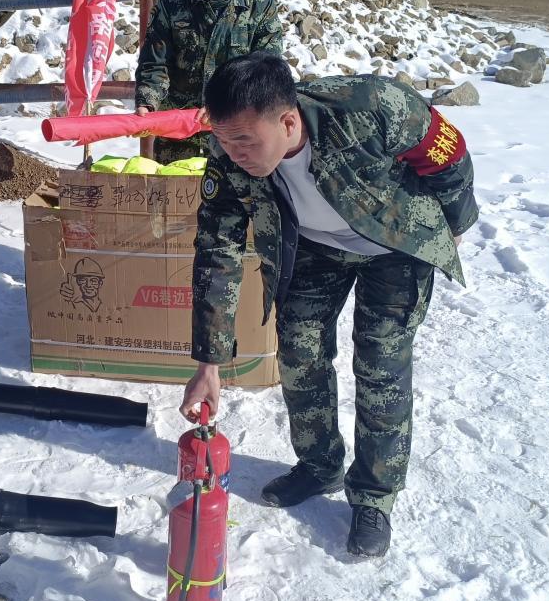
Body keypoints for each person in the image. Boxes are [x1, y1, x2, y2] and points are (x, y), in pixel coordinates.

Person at [180, 52, 478, 558]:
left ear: (287, 121)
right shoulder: (228, 155)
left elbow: (449, 155)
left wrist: (454, 225)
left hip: (394, 245)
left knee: (380, 366)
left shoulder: (371, 106)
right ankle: (319, 466)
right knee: (300, 353)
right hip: (314, 247)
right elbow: (217, 250)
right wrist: (209, 362)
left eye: (245, 141)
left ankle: (375, 497)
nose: (234, 153)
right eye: (225, 140)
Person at [134, 0, 285, 164]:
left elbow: (266, 70)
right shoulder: (173, 3)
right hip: (179, 135)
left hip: (235, 137)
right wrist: (147, 103)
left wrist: (225, 103)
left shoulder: (260, 7)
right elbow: (154, 62)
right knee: (176, 187)